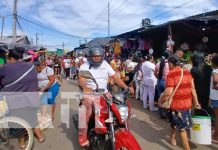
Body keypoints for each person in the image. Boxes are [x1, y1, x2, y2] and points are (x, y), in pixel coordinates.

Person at [78, 44, 134, 147]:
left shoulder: (105, 64)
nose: (96, 58)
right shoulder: (84, 66)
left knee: (120, 105)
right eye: (94, 56)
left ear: (102, 56)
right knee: (87, 109)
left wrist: (126, 87)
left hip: (105, 92)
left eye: (98, 56)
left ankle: (121, 129)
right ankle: (82, 135)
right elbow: (81, 80)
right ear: (90, 57)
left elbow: (115, 77)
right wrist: (85, 87)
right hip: (90, 93)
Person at [0, 47, 45, 148]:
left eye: (8, 59)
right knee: (33, 119)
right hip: (32, 99)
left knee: (18, 122)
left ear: (11, 58)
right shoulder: (31, 66)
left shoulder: (6, 68)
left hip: (15, 101)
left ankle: (22, 142)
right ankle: (40, 136)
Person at [158, 54, 201, 150]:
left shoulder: (171, 73)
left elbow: (168, 92)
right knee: (175, 122)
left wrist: (160, 100)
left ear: (170, 63)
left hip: (177, 105)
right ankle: (172, 139)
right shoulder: (187, 72)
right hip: (187, 104)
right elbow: (193, 89)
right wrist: (196, 102)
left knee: (182, 129)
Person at [190, 51, 212, 116]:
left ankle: (198, 122)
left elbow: (192, 83)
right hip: (207, 91)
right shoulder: (209, 67)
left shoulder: (193, 69)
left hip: (197, 91)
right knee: (205, 108)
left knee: (197, 107)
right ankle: (206, 121)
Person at [155, 51, 170, 118]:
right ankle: (166, 114)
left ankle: (160, 114)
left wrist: (158, 78)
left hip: (159, 81)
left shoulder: (158, 63)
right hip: (166, 82)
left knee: (160, 98)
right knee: (166, 98)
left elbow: (155, 73)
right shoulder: (169, 64)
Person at [210, 54, 218, 143]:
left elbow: (215, 81)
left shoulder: (215, 71)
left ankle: (216, 136)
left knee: (217, 117)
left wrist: (215, 86)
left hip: (216, 97)